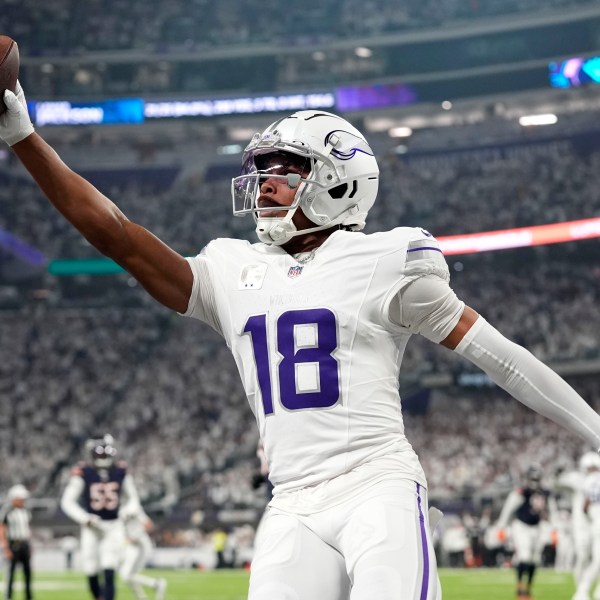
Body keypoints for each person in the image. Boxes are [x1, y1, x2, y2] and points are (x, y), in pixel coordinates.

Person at [3, 81, 600, 600]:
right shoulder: (230, 269)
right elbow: (120, 238)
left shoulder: (385, 259)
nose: (264, 183)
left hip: (377, 483)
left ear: (340, 181)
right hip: (291, 501)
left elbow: (503, 359)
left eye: (286, 170)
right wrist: (26, 138)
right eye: (263, 170)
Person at [60, 434, 142, 600]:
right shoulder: (84, 472)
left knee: (109, 565)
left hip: (113, 524)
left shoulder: (120, 471)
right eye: (99, 452)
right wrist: (84, 517)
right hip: (92, 526)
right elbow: (67, 502)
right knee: (90, 566)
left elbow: (134, 499)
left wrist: (127, 510)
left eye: (106, 452)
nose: (103, 456)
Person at [496, 464, 551, 599]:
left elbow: (549, 510)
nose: (534, 482)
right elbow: (508, 508)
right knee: (524, 557)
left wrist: (552, 527)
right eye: (532, 478)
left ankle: (528, 588)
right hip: (522, 526)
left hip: (537, 528)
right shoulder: (521, 492)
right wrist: (501, 525)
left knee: (534, 560)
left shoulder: (544, 492)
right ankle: (520, 588)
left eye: (536, 479)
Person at [557, 452, 600, 585]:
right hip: (581, 523)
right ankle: (580, 588)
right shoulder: (577, 479)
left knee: (597, 557)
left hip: (594, 522)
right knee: (583, 556)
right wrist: (559, 473)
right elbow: (558, 483)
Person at [119, 506, 167, 600]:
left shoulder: (134, 508)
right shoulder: (118, 508)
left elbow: (149, 525)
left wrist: (134, 536)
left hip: (142, 547)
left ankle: (157, 584)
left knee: (126, 575)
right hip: (133, 547)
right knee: (129, 575)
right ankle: (143, 596)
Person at [571, 456, 600, 600]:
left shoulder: (586, 481)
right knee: (595, 559)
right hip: (593, 525)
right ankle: (583, 590)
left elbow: (585, 506)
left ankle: (589, 590)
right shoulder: (589, 480)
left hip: (593, 523)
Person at [0, 484, 34, 600]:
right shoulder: (7, 511)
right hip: (13, 544)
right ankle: (8, 597)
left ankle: (28, 597)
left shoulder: (25, 511)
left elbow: (27, 529)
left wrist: (30, 545)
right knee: (10, 574)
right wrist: (5, 548)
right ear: (14, 498)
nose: (23, 500)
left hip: (24, 544)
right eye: (21, 498)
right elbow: (2, 529)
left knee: (28, 574)